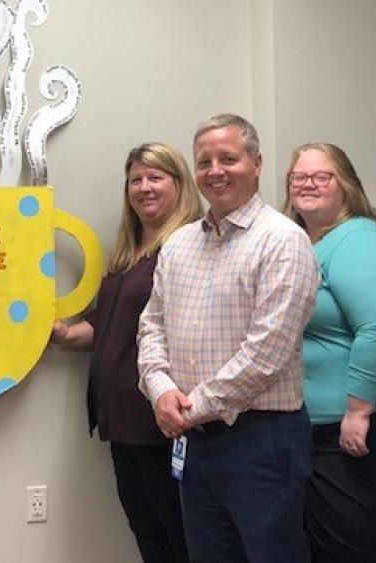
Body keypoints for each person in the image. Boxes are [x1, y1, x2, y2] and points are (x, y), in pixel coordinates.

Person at [137, 113, 320, 563]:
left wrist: (188, 410)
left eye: (228, 158)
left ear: (256, 164)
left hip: (262, 442)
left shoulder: (283, 241)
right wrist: (160, 391)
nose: (215, 170)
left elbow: (266, 353)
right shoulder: (178, 245)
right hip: (196, 442)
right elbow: (150, 325)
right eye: (204, 161)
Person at [51, 142, 202, 563]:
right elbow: (107, 326)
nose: (144, 187)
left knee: (176, 530)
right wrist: (64, 334)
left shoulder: (189, 245)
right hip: (120, 420)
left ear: (179, 184)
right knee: (146, 528)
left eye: (156, 177)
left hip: (157, 417)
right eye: (136, 179)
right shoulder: (127, 253)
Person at [283, 142, 376, 562]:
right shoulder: (303, 243)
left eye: (322, 176)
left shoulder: (358, 238)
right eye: (299, 176)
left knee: (352, 551)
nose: (308, 184)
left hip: (357, 431)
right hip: (318, 431)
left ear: (346, 185)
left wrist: (357, 411)